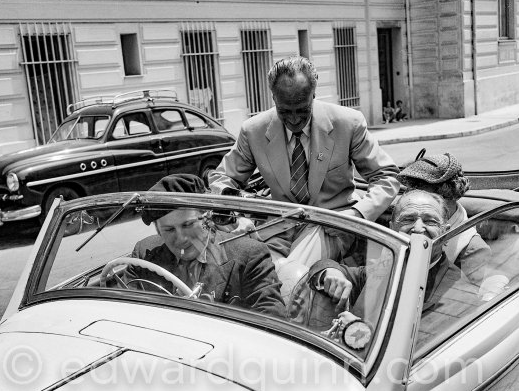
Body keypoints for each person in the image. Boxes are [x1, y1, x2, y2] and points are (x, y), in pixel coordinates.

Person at [208, 55, 399, 258]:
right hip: (277, 228)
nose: (294, 119)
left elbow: (386, 176)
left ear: (314, 94)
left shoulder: (348, 123)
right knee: (255, 268)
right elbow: (222, 179)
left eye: (302, 110)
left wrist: (356, 215)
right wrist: (235, 216)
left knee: (294, 273)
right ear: (273, 98)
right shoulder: (253, 130)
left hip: (332, 226)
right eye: (285, 111)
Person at [309, 190, 481, 348]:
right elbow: (323, 266)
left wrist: (356, 332)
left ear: (445, 233)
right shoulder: (383, 269)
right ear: (392, 230)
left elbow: (420, 352)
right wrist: (329, 273)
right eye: (408, 219)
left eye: (430, 221)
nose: (418, 228)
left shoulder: (459, 295)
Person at [124, 174, 286, 318]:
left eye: (188, 224)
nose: (181, 238)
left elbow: (272, 321)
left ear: (207, 219)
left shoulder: (249, 256)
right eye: (169, 229)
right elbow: (123, 314)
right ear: (158, 231)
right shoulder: (143, 256)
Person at [396, 151, 491, 286]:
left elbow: (465, 302)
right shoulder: (402, 222)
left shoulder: (473, 250)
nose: (416, 199)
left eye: (425, 194)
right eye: (411, 190)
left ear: (448, 196)